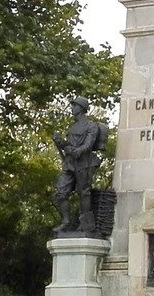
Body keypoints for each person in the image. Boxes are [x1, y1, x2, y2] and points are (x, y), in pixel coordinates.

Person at [53, 96, 102, 233]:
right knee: (61, 192)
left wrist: (78, 151)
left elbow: (88, 144)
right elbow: (68, 145)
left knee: (84, 193)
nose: (72, 108)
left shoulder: (91, 126)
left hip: (84, 163)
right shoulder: (72, 127)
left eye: (75, 106)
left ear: (81, 108)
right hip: (69, 164)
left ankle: (86, 224)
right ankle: (66, 221)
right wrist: (60, 142)